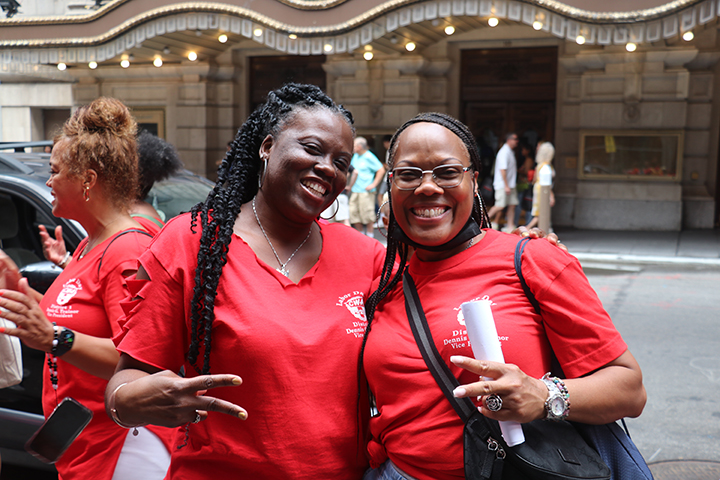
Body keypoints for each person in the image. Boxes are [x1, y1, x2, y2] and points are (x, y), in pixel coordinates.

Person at [104, 84, 385, 479]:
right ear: (267, 146)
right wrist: (133, 401)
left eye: (341, 162)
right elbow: (127, 379)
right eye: (312, 149)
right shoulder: (193, 243)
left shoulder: (367, 256)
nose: (327, 168)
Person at [360, 112, 646, 480]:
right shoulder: (384, 287)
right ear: (390, 185)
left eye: (447, 172)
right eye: (409, 174)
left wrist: (544, 396)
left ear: (474, 180)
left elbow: (629, 390)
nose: (427, 187)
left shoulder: (532, 259)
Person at [0, 97, 172, 479]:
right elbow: (72, 316)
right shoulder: (90, 244)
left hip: (123, 444)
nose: (49, 182)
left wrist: (55, 339)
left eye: (55, 171)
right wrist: (20, 291)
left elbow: (139, 360)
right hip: (85, 437)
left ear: (88, 180)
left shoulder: (129, 249)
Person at [38, 131, 183, 268]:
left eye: (54, 172)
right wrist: (64, 260)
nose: (49, 182)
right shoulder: (100, 236)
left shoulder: (130, 241)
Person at [349, 136, 385, 237]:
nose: (352, 148)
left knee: (368, 215)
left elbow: (381, 170)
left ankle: (370, 235)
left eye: (354, 145)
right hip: (355, 190)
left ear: (359, 147)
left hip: (366, 191)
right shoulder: (355, 156)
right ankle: (361, 235)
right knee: (353, 213)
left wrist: (373, 184)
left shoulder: (369, 156)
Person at [486, 132, 519, 232]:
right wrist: (506, 185)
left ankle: (510, 226)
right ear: (509, 140)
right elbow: (502, 170)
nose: (517, 141)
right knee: (499, 205)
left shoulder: (510, 151)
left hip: (511, 184)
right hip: (503, 185)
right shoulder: (504, 152)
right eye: (515, 139)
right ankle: (483, 220)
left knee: (512, 205)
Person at [526, 141, 555, 230]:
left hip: (537, 188)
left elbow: (534, 179)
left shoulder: (539, 165)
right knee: (542, 212)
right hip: (542, 190)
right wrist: (551, 196)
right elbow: (547, 184)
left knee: (540, 212)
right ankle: (527, 228)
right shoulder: (546, 167)